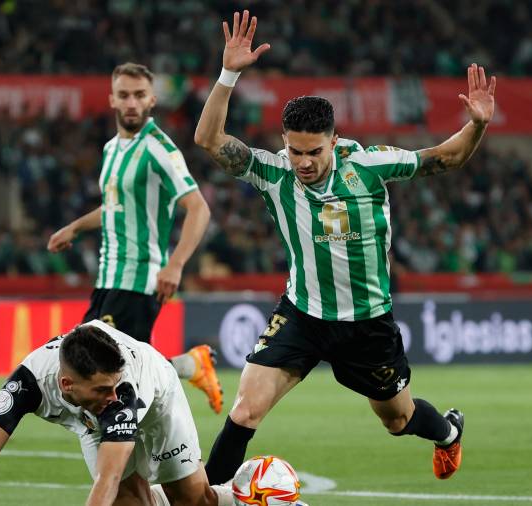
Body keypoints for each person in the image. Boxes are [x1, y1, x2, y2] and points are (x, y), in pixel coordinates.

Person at [193, 10, 496, 484]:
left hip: (366, 324)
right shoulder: (274, 173)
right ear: (284, 143)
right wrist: (229, 73)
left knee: (397, 419)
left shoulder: (370, 166)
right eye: (295, 150)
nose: (304, 162)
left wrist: (476, 125)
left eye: (315, 151)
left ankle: (448, 433)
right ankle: (203, 497)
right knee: (246, 409)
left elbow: (448, 157)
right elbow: (208, 139)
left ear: (335, 140)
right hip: (302, 314)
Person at [47, 63, 223, 414]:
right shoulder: (112, 149)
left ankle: (127, 458)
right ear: (112, 99)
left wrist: (175, 265)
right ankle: (191, 366)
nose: (131, 103)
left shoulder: (158, 148)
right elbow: (115, 207)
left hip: (140, 278)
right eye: (124, 95)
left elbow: (198, 207)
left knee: (98, 374)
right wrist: (76, 228)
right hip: (108, 277)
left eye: (139, 95)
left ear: (152, 100)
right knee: (124, 373)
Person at [0, 321, 238, 506]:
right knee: (127, 503)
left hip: (156, 392)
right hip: (88, 422)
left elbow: (108, 478)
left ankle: (253, 496)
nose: (110, 397)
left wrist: (107, 394)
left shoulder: (120, 396)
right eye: (100, 390)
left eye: (111, 388)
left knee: (191, 500)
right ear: (66, 384)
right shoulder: (27, 383)